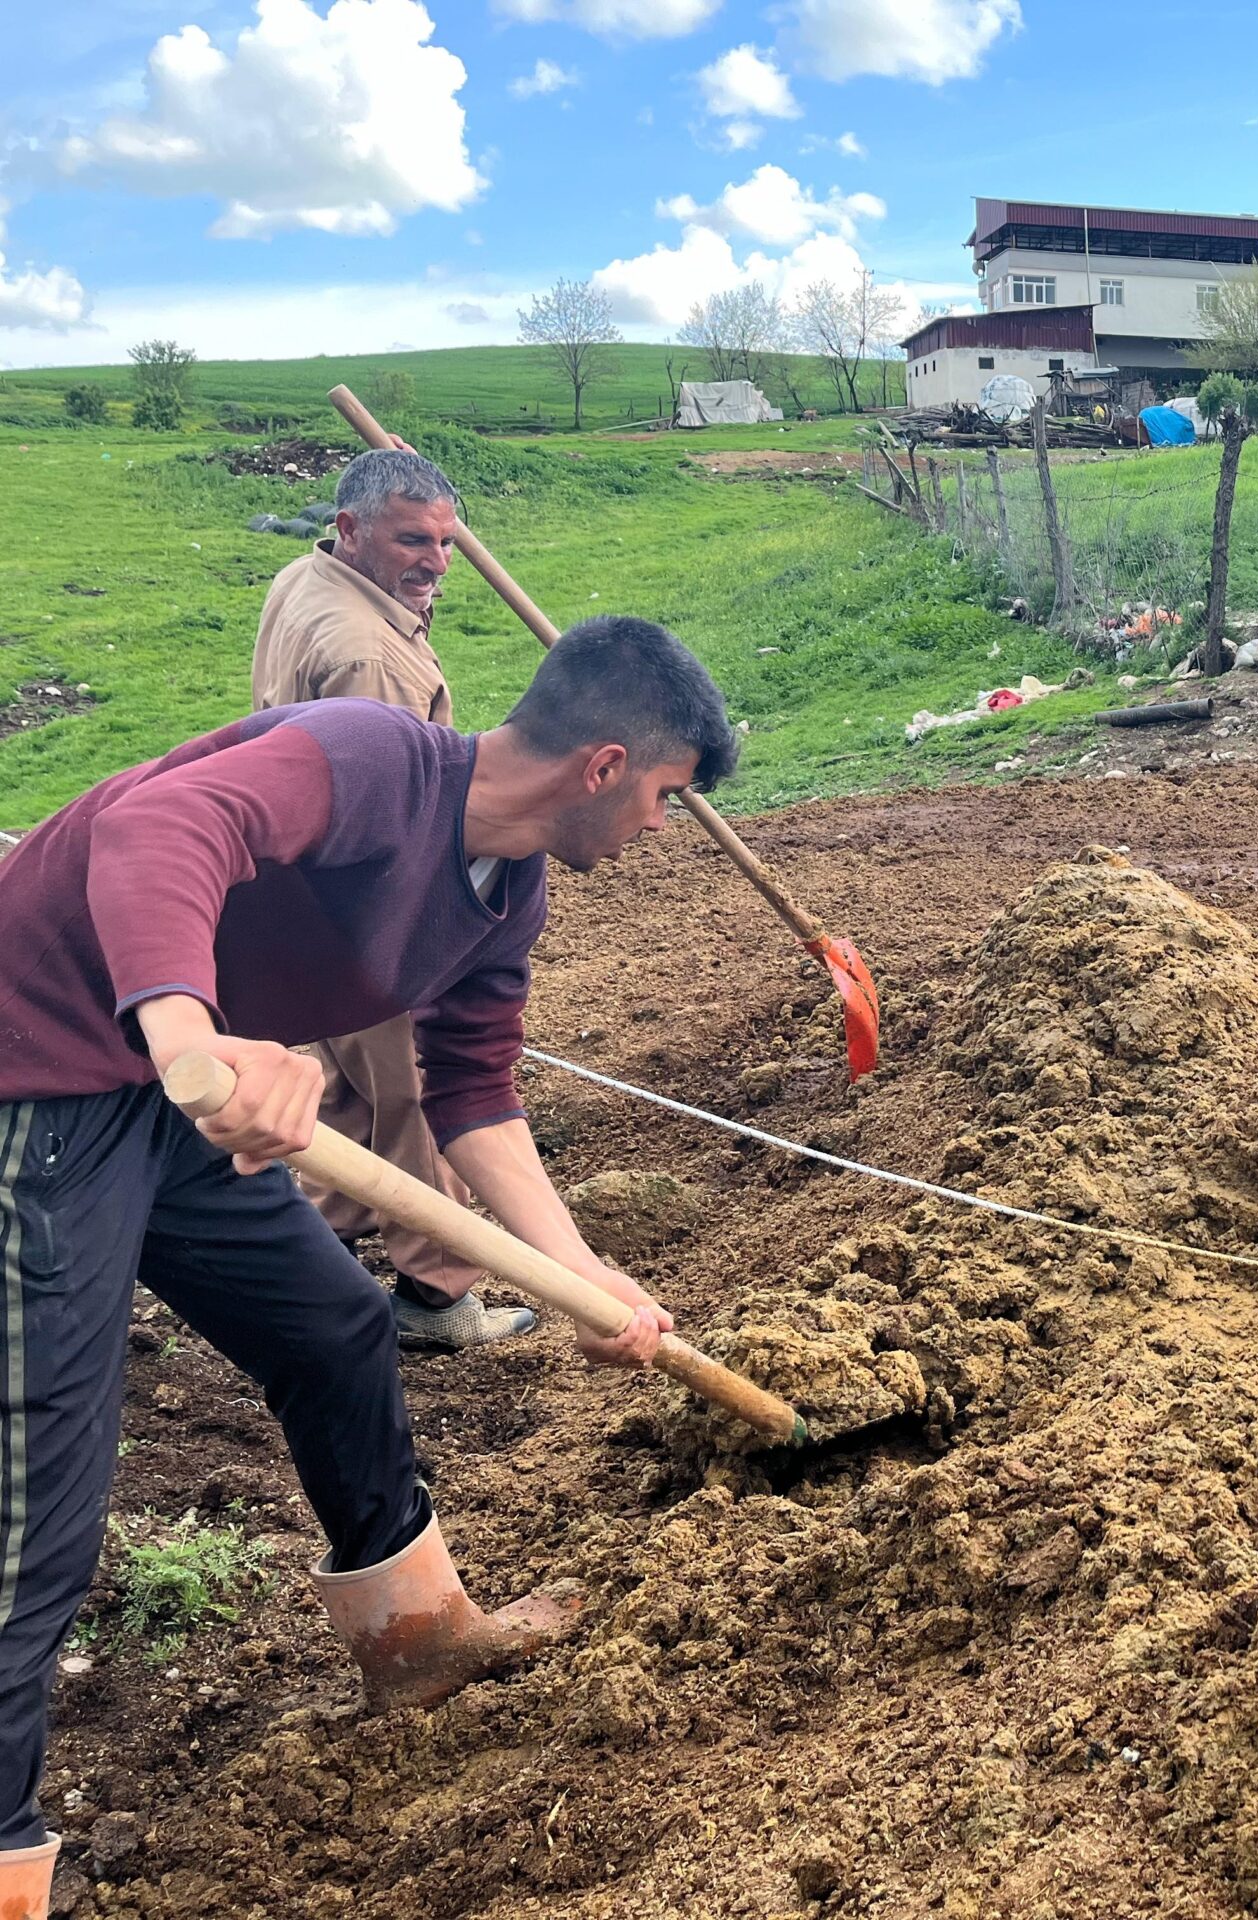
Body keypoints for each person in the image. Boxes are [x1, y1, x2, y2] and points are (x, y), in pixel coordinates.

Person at [0, 618, 733, 1915]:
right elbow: (151, 833)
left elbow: (474, 1095)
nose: (662, 831)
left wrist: (578, 1274)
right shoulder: (369, 756)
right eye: (669, 800)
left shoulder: (508, 890)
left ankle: (416, 1637)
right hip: (40, 1069)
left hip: (167, 1096)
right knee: (39, 1491)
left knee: (335, 1326)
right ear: (606, 767)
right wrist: (193, 1044)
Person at [251, 445, 535, 1353]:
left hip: (292, 896)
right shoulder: (371, 659)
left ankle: (317, 1251)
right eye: (413, 541)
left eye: (447, 542)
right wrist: (427, 942)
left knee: (336, 1088)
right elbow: (401, 821)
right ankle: (438, 1295)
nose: (437, 562)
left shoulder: (303, 580)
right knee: (412, 1094)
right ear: (349, 530)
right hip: (364, 914)